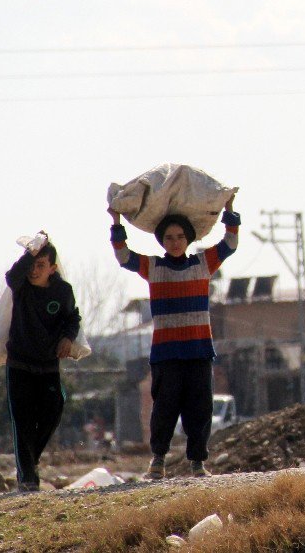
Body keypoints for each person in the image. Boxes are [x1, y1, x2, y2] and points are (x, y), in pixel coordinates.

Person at [108, 194, 240, 479]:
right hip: (167, 353)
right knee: (165, 409)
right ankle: (158, 461)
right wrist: (116, 223)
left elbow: (230, 243)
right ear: (162, 241)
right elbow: (123, 256)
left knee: (200, 409)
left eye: (180, 236)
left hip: (199, 351)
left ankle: (197, 462)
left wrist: (230, 211)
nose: (175, 242)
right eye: (169, 237)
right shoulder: (153, 267)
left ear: (188, 239)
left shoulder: (203, 264)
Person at [5, 234, 81, 492]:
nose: (34, 271)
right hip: (19, 364)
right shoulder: (22, 287)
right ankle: (27, 476)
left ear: (53, 268)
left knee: (54, 408)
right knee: (23, 419)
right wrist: (30, 253)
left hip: (48, 365)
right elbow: (11, 276)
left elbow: (73, 317)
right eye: (32, 265)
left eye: (41, 265)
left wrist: (67, 339)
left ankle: (31, 459)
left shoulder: (62, 291)